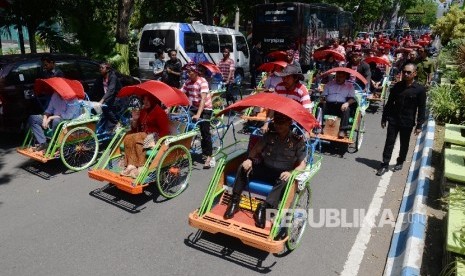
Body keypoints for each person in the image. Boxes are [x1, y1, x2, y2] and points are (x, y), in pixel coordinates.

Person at [223, 112, 307, 229]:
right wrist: (249, 159)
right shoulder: (269, 136)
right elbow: (256, 149)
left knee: (285, 180)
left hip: (282, 173)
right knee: (243, 167)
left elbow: (302, 164)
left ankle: (263, 209)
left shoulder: (297, 141)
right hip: (265, 167)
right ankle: (234, 201)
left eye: (281, 123)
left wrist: (291, 173)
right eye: (276, 122)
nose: (278, 125)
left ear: (289, 123)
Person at [376, 64, 426, 176]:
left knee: (404, 143)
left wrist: (419, 125)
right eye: (404, 72)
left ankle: (400, 161)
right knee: (389, 142)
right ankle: (384, 164)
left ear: (414, 74)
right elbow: (389, 103)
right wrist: (384, 118)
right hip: (393, 119)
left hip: (407, 121)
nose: (406, 74)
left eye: (409, 72)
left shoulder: (420, 90)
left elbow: (422, 108)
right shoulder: (397, 86)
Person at [120, 95, 170, 178]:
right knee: (128, 137)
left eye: (148, 100)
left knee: (138, 137)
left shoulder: (159, 112)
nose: (145, 102)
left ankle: (140, 165)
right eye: (144, 100)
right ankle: (131, 165)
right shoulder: (143, 111)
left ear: (153, 100)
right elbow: (135, 129)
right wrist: (135, 119)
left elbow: (164, 130)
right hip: (143, 136)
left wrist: (162, 144)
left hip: (155, 138)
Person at [181, 62, 214, 169]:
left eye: (189, 71)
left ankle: (209, 156)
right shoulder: (187, 83)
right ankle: (186, 148)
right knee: (183, 125)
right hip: (194, 107)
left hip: (205, 109)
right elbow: (180, 94)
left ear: (195, 72)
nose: (188, 73)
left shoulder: (202, 81)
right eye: (187, 72)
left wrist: (198, 115)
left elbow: (203, 99)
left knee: (205, 131)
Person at [262, 64, 312, 132]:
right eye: (283, 77)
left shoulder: (302, 90)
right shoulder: (279, 87)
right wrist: (266, 124)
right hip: (279, 121)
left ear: (295, 78)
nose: (284, 80)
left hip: (295, 123)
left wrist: (307, 131)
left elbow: (307, 112)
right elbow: (272, 107)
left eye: (287, 78)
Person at [321, 71, 356, 138]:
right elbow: (323, 95)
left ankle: (342, 130)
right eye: (337, 76)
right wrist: (322, 99)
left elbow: (353, 99)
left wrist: (347, 103)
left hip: (341, 106)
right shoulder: (329, 84)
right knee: (321, 106)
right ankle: (320, 126)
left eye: (341, 77)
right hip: (329, 104)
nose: (338, 78)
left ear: (345, 77)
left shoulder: (350, 86)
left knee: (347, 109)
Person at [92, 62, 122, 132]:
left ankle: (117, 123)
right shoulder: (101, 77)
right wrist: (85, 96)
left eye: (102, 68)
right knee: (95, 108)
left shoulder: (113, 77)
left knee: (105, 107)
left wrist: (102, 100)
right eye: (100, 68)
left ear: (107, 69)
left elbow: (111, 90)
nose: (100, 69)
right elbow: (94, 88)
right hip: (109, 96)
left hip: (117, 97)